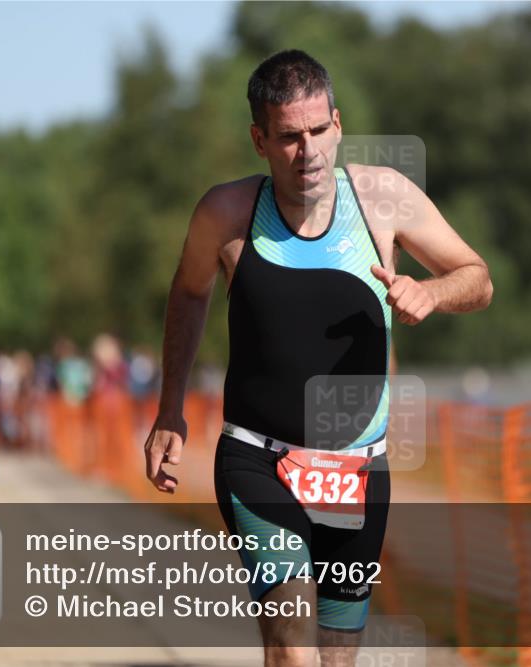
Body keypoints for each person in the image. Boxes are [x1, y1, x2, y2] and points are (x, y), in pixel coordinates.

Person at [143, 50, 492, 667]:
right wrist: (170, 408)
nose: (307, 152)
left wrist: (433, 293)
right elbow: (190, 292)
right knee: (293, 647)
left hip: (357, 471)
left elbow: (478, 278)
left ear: (337, 123)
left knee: (336, 658)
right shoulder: (227, 214)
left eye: (317, 130)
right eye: (288, 137)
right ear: (259, 140)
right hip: (258, 458)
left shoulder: (382, 199)